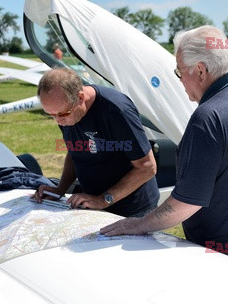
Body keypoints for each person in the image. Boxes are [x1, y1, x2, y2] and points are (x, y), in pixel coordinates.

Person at [101, 25, 228, 274]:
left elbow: (186, 204)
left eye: (180, 72)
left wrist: (138, 225)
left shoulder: (208, 118)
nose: (179, 81)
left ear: (201, 70)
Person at [34, 68, 159, 217]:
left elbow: (147, 167)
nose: (58, 121)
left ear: (80, 97)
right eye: (51, 115)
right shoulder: (64, 110)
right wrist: (60, 189)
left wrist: (103, 200)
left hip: (132, 209)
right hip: (93, 204)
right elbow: (75, 150)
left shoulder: (117, 110)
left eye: (62, 114)